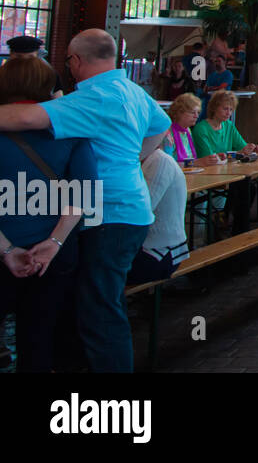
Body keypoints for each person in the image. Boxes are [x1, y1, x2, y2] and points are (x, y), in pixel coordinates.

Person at [0, 29, 171, 372]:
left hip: (106, 216)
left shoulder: (90, 98)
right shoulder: (132, 91)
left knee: (99, 312)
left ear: (76, 61)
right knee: (95, 305)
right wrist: (131, 160)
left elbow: (23, 117)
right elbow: (162, 124)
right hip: (130, 210)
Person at [0, 55, 95, 373]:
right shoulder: (69, 131)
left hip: (3, 251)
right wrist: (54, 243)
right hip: (54, 257)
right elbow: (84, 194)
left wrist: (8, 250)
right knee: (39, 341)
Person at [125, 141, 189, 285]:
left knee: (100, 269)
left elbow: (142, 210)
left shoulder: (160, 162)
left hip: (161, 254)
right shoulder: (146, 161)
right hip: (154, 249)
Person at [194, 90, 258, 160]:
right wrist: (239, 153)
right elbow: (209, 160)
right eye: (225, 109)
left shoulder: (228, 125)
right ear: (214, 107)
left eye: (231, 110)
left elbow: (242, 147)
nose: (229, 113)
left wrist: (252, 149)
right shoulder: (201, 129)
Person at [164, 94, 202, 164]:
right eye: (193, 112)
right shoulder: (167, 132)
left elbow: (190, 157)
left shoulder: (187, 130)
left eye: (198, 113)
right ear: (179, 112)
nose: (196, 116)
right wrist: (196, 163)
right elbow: (168, 164)